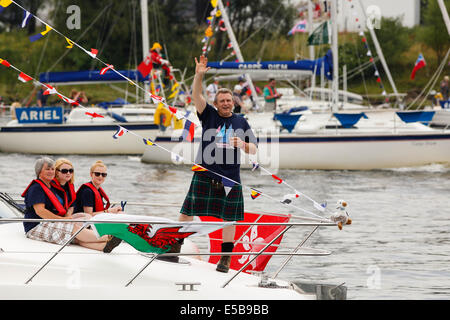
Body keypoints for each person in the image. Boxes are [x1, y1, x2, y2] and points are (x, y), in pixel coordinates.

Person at [178, 55, 258, 273]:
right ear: (216, 104)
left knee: (230, 219)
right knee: (187, 211)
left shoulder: (241, 121)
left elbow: (254, 148)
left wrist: (242, 143)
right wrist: (199, 75)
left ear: (233, 102)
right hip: (205, 173)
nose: (225, 103)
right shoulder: (209, 115)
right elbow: (196, 96)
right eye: (222, 100)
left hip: (230, 178)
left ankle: (225, 259)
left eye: (228, 100)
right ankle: (172, 246)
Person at [22, 157, 121, 252]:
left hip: (49, 223)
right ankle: (107, 237)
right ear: (39, 172)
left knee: (76, 234)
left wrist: (65, 219)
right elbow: (40, 211)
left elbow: (67, 207)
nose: (51, 171)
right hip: (35, 226)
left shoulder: (49, 187)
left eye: (52, 169)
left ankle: (102, 246)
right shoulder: (36, 188)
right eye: (47, 169)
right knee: (72, 228)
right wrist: (62, 220)